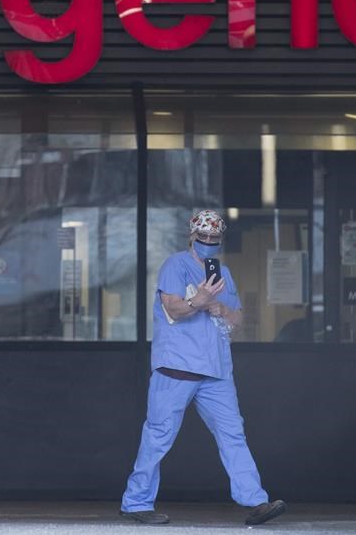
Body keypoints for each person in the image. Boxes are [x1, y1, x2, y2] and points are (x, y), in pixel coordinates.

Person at [120, 209, 286, 526]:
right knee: (158, 435)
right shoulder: (175, 265)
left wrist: (218, 304)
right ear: (192, 236)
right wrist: (200, 299)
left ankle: (256, 501)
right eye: (204, 237)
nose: (209, 242)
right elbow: (173, 308)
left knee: (233, 434)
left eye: (215, 238)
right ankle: (136, 502)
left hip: (216, 371)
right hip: (177, 367)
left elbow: (237, 319)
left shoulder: (223, 273)